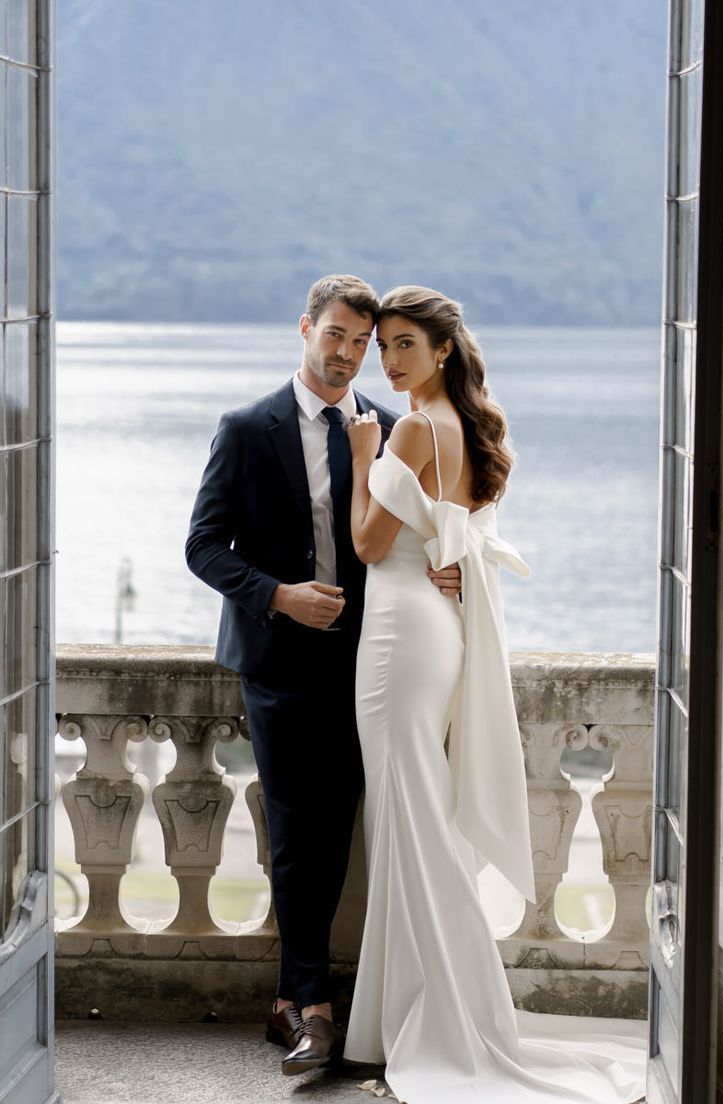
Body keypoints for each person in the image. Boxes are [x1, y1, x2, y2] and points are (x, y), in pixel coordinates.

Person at [342, 286, 648, 1103]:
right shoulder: (471, 430)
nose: (390, 360)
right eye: (385, 347)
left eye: (405, 345)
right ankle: (399, 1018)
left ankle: (451, 1019)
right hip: (437, 625)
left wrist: (362, 457)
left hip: (401, 632)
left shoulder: (408, 426)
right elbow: (461, 535)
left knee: (412, 825)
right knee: (415, 820)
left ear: (442, 350)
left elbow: (370, 542)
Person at [184, 275, 461, 1077]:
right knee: (296, 833)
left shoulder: (383, 423)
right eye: (334, 335)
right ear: (305, 328)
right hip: (277, 662)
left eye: (359, 342)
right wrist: (279, 596)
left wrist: (448, 569)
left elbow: (419, 522)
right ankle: (313, 1010)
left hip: (368, 660)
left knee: (337, 835)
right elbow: (203, 547)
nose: (345, 355)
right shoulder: (245, 428)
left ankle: (297, 1002)